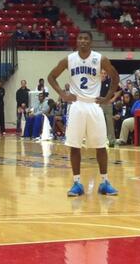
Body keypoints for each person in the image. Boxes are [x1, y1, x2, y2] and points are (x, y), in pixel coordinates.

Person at [47, 30, 120, 197]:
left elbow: (115, 77)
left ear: (91, 42)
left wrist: (108, 97)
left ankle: (105, 182)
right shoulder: (69, 59)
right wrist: (62, 93)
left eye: (86, 38)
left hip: (94, 105)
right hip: (77, 105)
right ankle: (77, 182)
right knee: (75, 145)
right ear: (76, 41)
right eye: (80, 38)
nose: (83, 41)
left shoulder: (100, 58)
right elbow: (51, 77)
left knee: (101, 146)